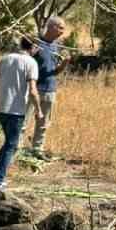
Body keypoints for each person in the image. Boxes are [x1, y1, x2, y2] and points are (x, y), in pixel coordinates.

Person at [0, 35, 40, 189]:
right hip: (16, 110)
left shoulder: (6, 58)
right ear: (33, 47)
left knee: (9, 142)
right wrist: (39, 110)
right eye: (37, 47)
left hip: (1, 108)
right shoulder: (31, 63)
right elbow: (33, 91)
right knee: (12, 145)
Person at [27, 14, 68, 158]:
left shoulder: (56, 46)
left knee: (43, 123)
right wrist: (31, 54)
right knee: (25, 120)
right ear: (52, 27)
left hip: (50, 89)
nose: (63, 32)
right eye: (61, 28)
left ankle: (37, 150)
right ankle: (16, 149)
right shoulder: (37, 43)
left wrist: (64, 64)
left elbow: (55, 71)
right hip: (34, 89)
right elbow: (26, 64)